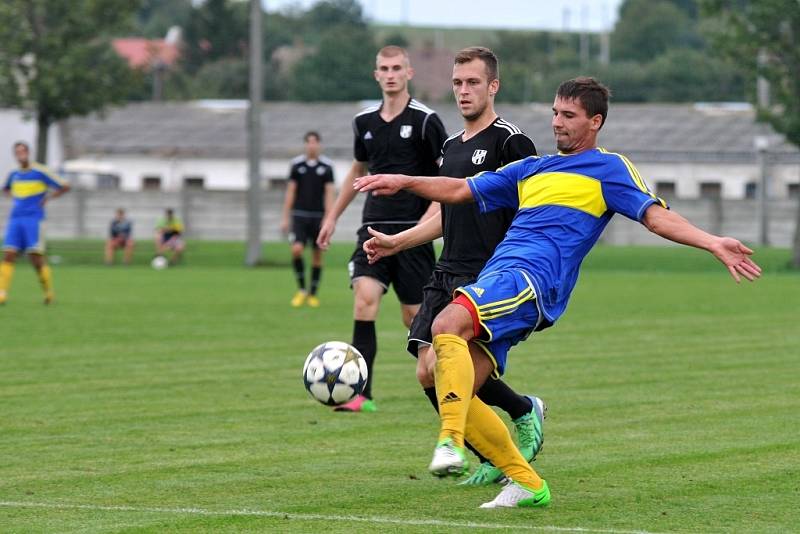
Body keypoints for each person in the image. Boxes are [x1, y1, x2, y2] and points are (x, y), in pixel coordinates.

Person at [355, 77, 761, 508]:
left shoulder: (609, 169)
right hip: (501, 274)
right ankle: (528, 483)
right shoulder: (533, 168)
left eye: (568, 115)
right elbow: (460, 190)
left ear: (595, 121)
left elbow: (657, 218)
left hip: (532, 280)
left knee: (446, 323)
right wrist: (404, 180)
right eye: (554, 113)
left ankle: (450, 443)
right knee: (449, 381)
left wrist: (713, 241)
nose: (557, 123)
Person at [362, 47, 544, 486]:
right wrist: (396, 242)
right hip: (447, 270)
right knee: (427, 371)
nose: (464, 91)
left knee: (450, 371)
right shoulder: (450, 147)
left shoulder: (511, 142)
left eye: (473, 83)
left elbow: (531, 209)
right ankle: (512, 423)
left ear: (493, 86)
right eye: (458, 83)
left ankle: (505, 439)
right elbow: (447, 213)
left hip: (490, 274)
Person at [316, 45, 448, 412]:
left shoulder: (426, 121)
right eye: (383, 68)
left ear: (409, 73)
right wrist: (332, 217)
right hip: (372, 229)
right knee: (365, 300)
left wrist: (430, 218)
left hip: (411, 235)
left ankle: (447, 379)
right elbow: (358, 171)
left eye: (396, 68)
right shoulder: (364, 123)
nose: (390, 74)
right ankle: (360, 394)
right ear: (376, 74)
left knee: (414, 317)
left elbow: (446, 177)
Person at [0, 141, 70, 305]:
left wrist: (48, 198)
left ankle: (48, 292)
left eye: (23, 151)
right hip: (15, 219)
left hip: (34, 219)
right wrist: (16, 198)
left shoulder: (40, 171)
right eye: (18, 152)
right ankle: (2, 294)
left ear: (28, 153)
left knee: (35, 258)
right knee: (9, 254)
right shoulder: (14, 174)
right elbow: (5, 188)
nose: (21, 154)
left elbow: (65, 186)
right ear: (15, 155)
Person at [281, 131, 335, 308]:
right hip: (299, 216)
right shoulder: (297, 165)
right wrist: (285, 217)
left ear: (319, 145)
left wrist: (329, 218)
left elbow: (329, 193)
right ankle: (302, 290)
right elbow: (291, 191)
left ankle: (312, 293)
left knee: (317, 254)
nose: (312, 145)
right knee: (296, 249)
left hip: (319, 217)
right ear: (305, 145)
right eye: (309, 142)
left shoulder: (326, 166)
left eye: (315, 142)